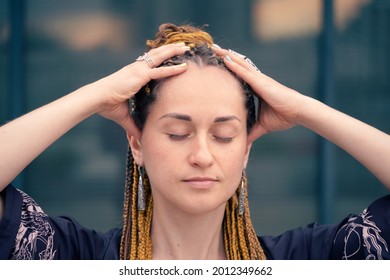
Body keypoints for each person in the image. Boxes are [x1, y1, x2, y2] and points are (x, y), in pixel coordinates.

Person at [0, 23, 389, 260]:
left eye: (224, 135)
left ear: (246, 150)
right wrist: (95, 96)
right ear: (136, 144)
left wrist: (303, 108)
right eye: (178, 133)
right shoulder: (74, 259)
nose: (202, 156)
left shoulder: (307, 262)